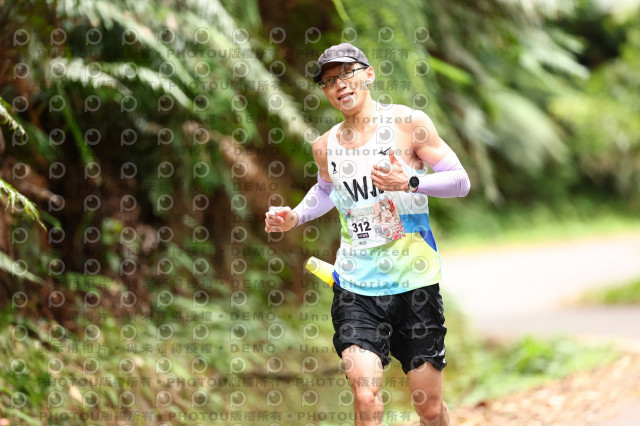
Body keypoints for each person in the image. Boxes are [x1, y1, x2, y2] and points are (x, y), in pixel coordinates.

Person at [264, 43, 470, 426]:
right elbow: (325, 190)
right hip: (356, 286)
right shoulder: (324, 146)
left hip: (415, 282)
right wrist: (294, 215)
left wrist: (411, 182)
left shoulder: (409, 124)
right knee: (365, 394)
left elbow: (460, 181)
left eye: (347, 73)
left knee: (428, 409)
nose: (340, 84)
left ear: (369, 74)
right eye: (329, 81)